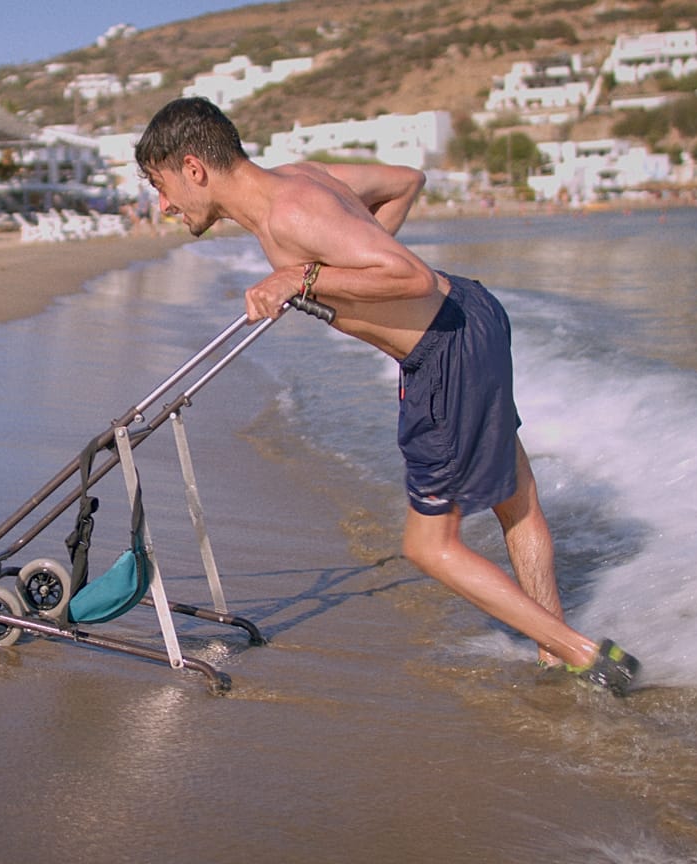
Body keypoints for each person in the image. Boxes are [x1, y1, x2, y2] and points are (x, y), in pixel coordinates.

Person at [134, 97, 639, 695]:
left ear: (194, 168)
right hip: (473, 314)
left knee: (428, 546)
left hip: (442, 353)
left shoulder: (292, 214)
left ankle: (586, 655)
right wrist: (352, 278)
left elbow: (413, 277)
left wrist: (304, 277)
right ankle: (555, 654)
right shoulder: (300, 177)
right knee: (516, 501)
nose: (162, 205)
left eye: (160, 185)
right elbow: (406, 182)